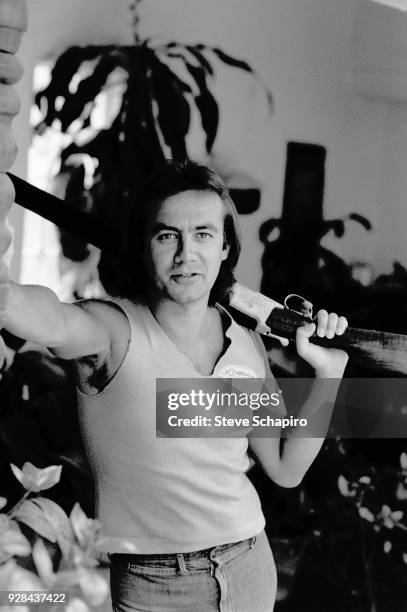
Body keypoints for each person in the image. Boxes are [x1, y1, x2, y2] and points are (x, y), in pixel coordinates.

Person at [3, 160, 348, 611]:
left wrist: (329, 374)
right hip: (156, 585)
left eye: (203, 234)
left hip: (248, 566)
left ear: (225, 247)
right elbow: (48, 316)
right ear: (146, 247)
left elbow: (285, 468)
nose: (186, 254)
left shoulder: (244, 342)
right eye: (168, 235)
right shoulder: (111, 331)